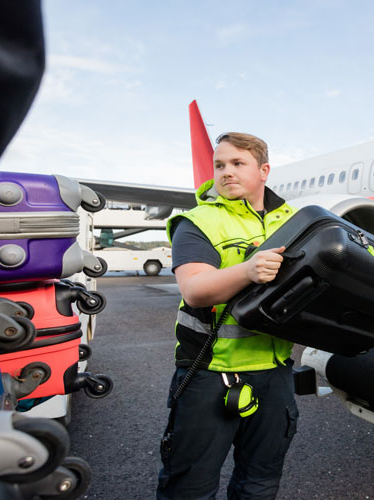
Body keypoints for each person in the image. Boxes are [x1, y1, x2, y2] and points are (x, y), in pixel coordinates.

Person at [157, 132, 298, 500]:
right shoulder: (199, 221)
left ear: (264, 170)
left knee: (260, 483)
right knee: (190, 487)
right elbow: (195, 289)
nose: (226, 172)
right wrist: (248, 271)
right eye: (220, 165)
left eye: (238, 163)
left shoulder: (293, 220)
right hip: (210, 372)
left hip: (275, 372)